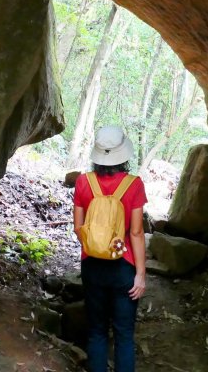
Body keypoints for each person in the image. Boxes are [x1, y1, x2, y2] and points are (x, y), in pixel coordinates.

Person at [73, 125, 148, 372]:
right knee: (124, 334)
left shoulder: (84, 182)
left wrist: (96, 247)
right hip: (123, 268)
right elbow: (136, 232)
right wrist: (140, 274)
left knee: (96, 331)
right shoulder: (134, 185)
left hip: (92, 266)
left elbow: (78, 228)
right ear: (123, 154)